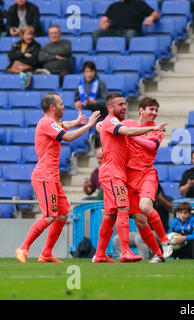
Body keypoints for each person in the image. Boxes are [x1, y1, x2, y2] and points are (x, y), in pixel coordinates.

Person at [15, 94, 101, 263]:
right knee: (49, 215)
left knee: (62, 214)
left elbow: (63, 126)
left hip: (52, 177)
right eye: (61, 104)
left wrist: (76, 123)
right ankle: (23, 247)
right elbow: (67, 136)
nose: (64, 106)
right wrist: (90, 125)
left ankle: (46, 253)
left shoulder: (50, 123)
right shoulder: (47, 123)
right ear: (52, 107)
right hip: (44, 176)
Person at [91, 93, 167, 263]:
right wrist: (151, 129)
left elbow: (150, 144)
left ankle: (100, 254)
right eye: (121, 104)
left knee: (114, 214)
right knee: (123, 208)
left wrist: (100, 126)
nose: (125, 107)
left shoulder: (118, 123)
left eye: (125, 104)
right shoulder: (118, 122)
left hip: (131, 174)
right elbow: (125, 131)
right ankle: (125, 251)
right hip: (114, 173)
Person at [122, 97, 173, 263]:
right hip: (129, 176)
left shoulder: (157, 129)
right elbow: (112, 125)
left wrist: (128, 135)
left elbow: (151, 146)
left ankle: (165, 240)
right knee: (139, 219)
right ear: (141, 110)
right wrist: (101, 125)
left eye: (156, 110)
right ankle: (158, 254)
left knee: (145, 206)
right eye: (151, 109)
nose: (154, 113)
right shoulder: (129, 124)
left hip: (146, 174)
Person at [92, 0, 160, 49]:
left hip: (129, 32)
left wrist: (151, 18)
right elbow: (103, 20)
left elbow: (156, 14)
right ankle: (97, 51)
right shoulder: (113, 5)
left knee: (130, 34)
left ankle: (126, 53)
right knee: (96, 33)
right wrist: (104, 25)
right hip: (113, 31)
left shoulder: (140, 4)